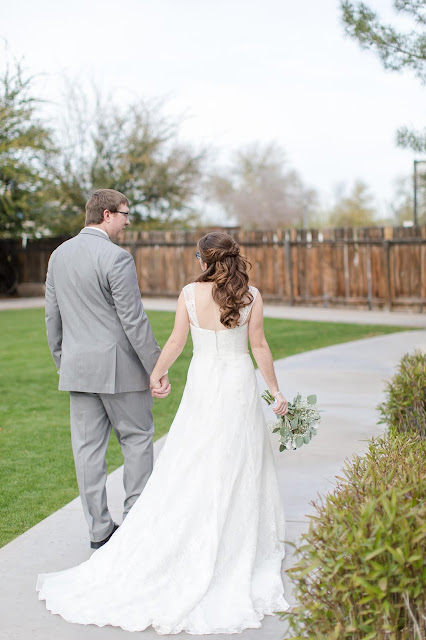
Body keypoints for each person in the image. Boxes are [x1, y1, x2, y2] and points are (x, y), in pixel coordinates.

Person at [37, 231, 290, 634]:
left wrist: (156, 373)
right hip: (238, 382)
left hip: (204, 381)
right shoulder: (251, 296)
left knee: (193, 454)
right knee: (238, 455)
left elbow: (175, 341)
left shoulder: (190, 294)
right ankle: (232, 534)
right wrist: (276, 391)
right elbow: (259, 346)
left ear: (203, 259)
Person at [44, 189, 170, 549]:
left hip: (78, 369)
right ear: (108, 215)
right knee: (137, 438)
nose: (128, 221)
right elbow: (133, 319)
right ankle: (136, 526)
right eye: (126, 214)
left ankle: (99, 532)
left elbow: (52, 317)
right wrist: (157, 366)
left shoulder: (58, 256)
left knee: (87, 451)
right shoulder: (117, 258)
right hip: (121, 370)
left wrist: (63, 361)